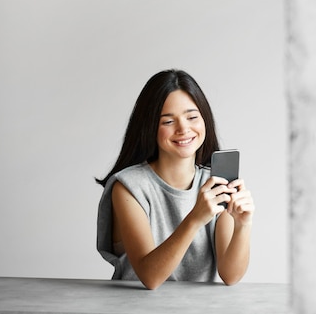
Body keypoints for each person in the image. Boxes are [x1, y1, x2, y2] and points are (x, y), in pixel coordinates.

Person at [96, 69, 254, 289]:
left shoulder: (216, 184)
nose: (183, 129)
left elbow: (230, 275)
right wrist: (195, 219)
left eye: (192, 117)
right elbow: (150, 278)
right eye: (168, 121)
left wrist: (242, 225)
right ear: (150, 126)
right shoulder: (128, 187)